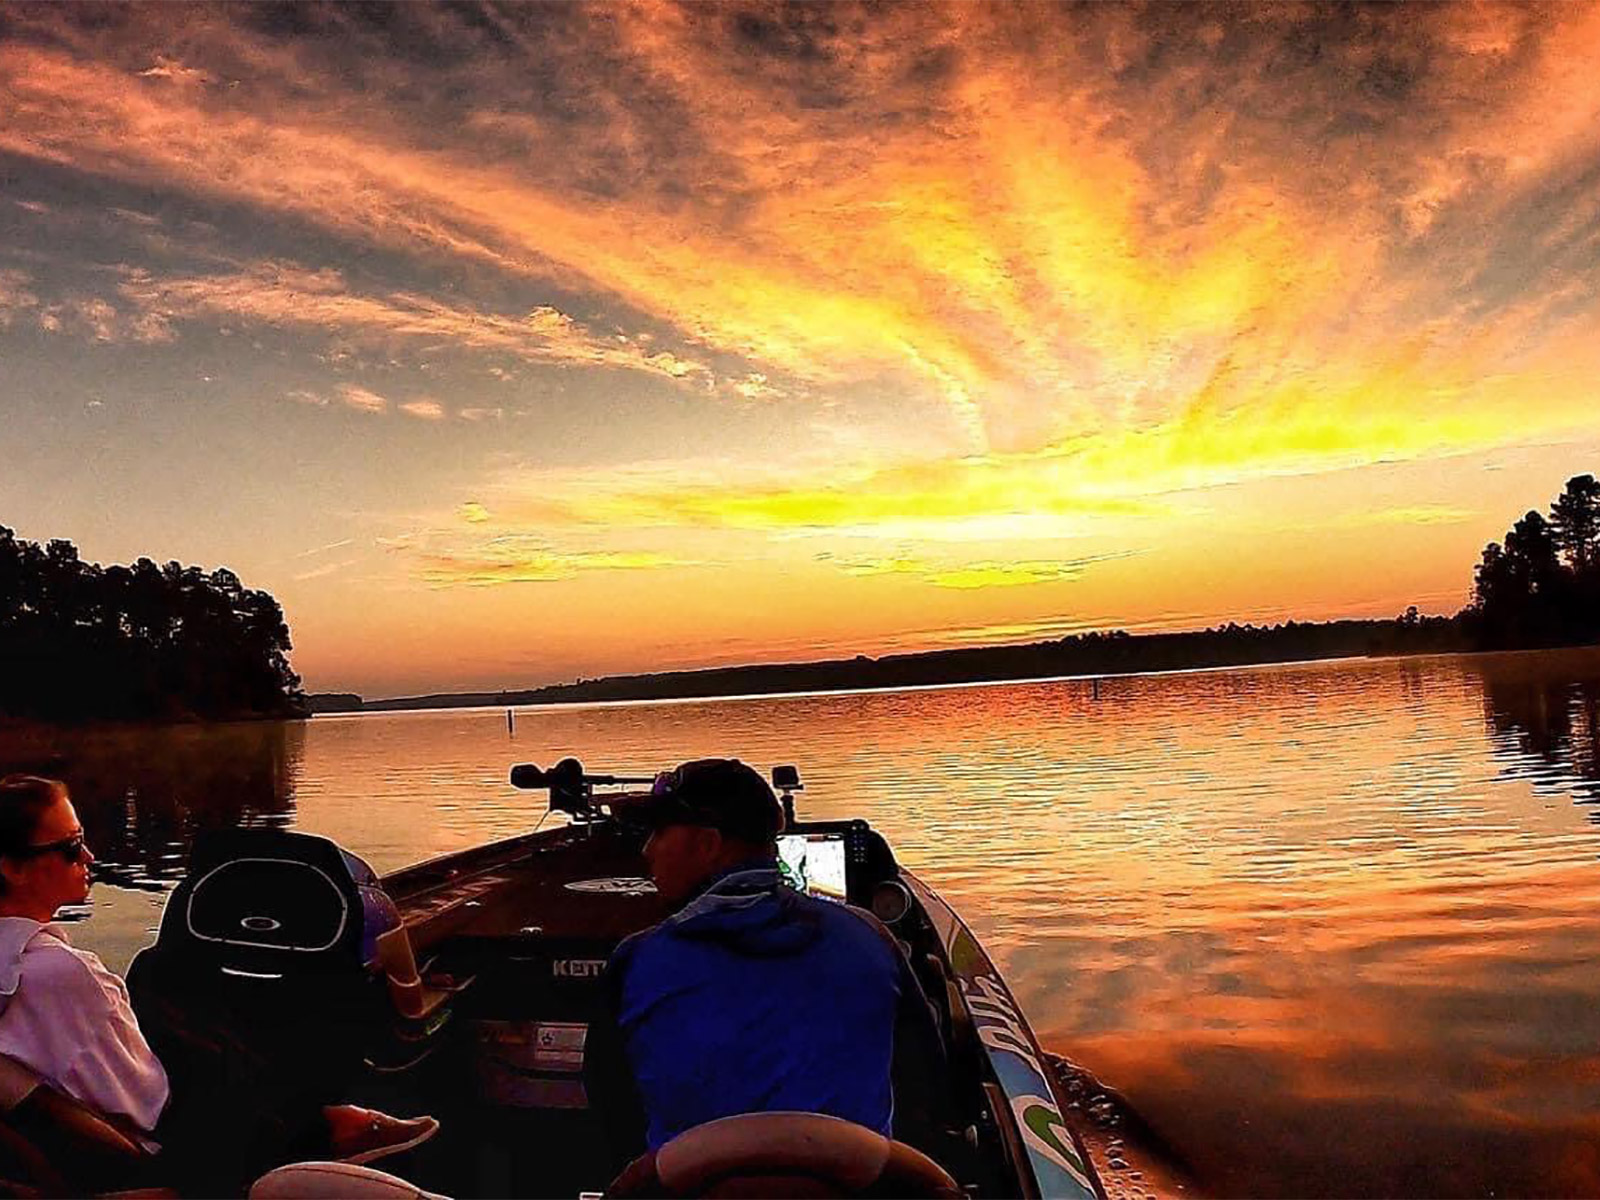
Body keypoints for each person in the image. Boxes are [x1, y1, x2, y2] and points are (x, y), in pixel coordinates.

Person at [0, 774, 437, 1190]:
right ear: (13, 869)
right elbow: (147, 1101)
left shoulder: (27, 972)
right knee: (229, 1040)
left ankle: (329, 1115)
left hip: (85, 1137)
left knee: (157, 974)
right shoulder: (61, 976)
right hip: (175, 1147)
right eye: (72, 847)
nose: (89, 858)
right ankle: (336, 1125)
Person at [583, 758, 946, 1172]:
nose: (646, 850)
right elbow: (927, 1091)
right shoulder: (869, 935)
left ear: (708, 844)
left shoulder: (636, 961)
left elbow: (612, 1114)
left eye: (659, 832)